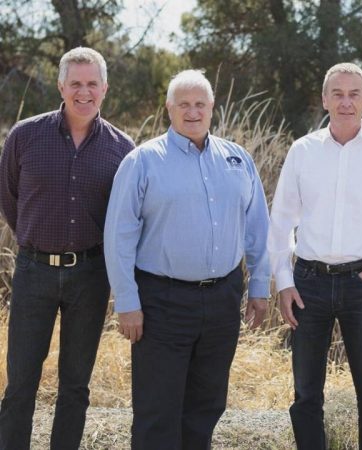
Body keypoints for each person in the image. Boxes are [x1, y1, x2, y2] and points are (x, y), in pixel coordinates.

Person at [103, 69, 270, 449]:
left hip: (223, 299)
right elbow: (118, 236)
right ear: (169, 108)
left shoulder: (237, 159)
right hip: (161, 302)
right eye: (184, 105)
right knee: (157, 412)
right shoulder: (142, 161)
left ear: (212, 107)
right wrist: (126, 302)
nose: (192, 112)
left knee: (206, 407)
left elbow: (258, 227)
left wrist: (260, 287)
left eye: (200, 104)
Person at [268, 62, 362, 450]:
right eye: (337, 94)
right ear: (324, 100)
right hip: (308, 285)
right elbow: (281, 221)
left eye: (353, 94)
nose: (345, 102)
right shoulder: (303, 151)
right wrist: (284, 281)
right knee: (306, 394)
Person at [0, 47, 134, 450]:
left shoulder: (123, 149)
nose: (83, 92)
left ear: (105, 88)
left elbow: (124, 217)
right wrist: (34, 238)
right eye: (75, 83)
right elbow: (9, 198)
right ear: (61, 86)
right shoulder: (25, 135)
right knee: (21, 381)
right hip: (34, 272)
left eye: (92, 83)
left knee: (75, 385)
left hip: (91, 275)